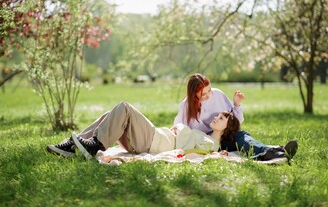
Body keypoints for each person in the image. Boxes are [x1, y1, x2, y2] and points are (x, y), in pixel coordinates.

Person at [46, 101, 240, 159]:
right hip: (150, 140)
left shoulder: (212, 144)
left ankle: (94, 145)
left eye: (221, 118)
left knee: (124, 108)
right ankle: (73, 146)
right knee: (109, 115)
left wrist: (217, 154)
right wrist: (181, 129)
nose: (216, 117)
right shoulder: (204, 135)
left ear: (227, 127)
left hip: (156, 141)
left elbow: (196, 152)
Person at [173, 73, 298, 161]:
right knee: (241, 139)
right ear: (193, 94)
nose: (209, 95)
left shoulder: (217, 95)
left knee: (242, 137)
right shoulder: (186, 106)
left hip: (226, 138)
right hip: (206, 144)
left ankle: (273, 152)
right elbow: (178, 128)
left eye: (209, 90)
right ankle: (275, 151)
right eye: (203, 94)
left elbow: (235, 120)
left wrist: (237, 104)